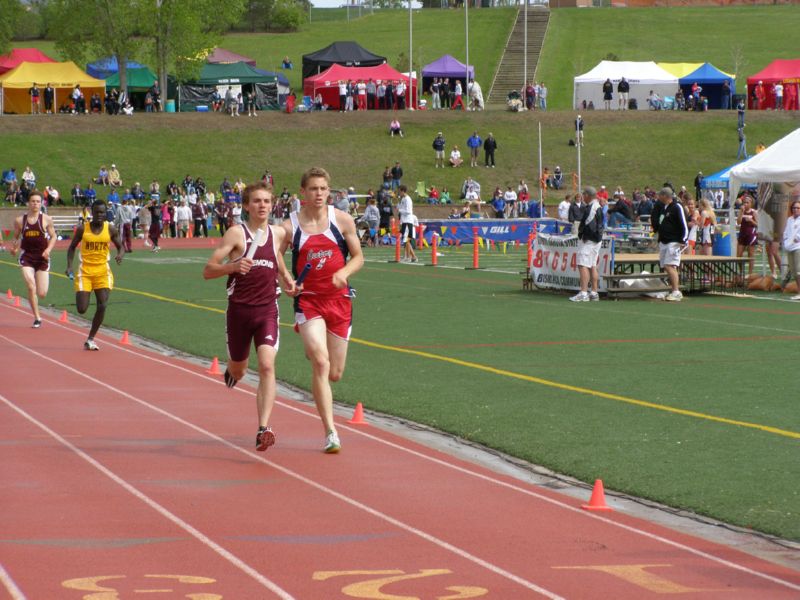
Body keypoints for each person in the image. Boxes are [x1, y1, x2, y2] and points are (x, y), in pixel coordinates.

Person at [203, 182, 297, 451]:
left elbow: (277, 257)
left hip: (267, 309)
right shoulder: (236, 234)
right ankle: (232, 369)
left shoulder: (277, 233)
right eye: (257, 201)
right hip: (239, 312)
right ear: (246, 205)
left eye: (267, 201)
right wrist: (232, 266)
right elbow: (208, 270)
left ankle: (263, 428)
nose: (263, 205)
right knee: (239, 369)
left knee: (267, 366)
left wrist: (287, 279)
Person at [279, 167, 364, 453]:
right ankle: (331, 431)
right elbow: (275, 254)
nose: (319, 194)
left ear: (329, 191)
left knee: (335, 373)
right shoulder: (290, 226)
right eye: (313, 189)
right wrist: (287, 281)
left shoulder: (342, 220)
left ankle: (312, 342)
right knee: (320, 362)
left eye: (323, 189)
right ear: (302, 192)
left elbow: (359, 257)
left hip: (339, 301)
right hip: (309, 302)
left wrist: (344, 272)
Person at [65, 200, 125, 350]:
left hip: (103, 271)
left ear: (106, 213)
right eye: (97, 212)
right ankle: (85, 294)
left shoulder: (110, 229)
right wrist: (69, 266)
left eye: (102, 212)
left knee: (102, 304)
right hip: (85, 271)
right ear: (92, 212)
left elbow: (120, 246)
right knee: (82, 309)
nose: (99, 215)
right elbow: (72, 247)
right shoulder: (82, 229)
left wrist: (120, 255)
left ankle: (91, 338)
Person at [9, 191, 57, 328]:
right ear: (28, 203)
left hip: (42, 257)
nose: (35, 203)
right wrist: (14, 248)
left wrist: (48, 250)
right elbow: (16, 237)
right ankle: (37, 318)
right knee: (31, 286)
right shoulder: (20, 221)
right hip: (27, 257)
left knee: (41, 293)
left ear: (41, 203)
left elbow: (53, 236)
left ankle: (36, 292)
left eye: (38, 201)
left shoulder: (46, 219)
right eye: (33, 201)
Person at [651, 187, 688, 301]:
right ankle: (672, 289)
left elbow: (684, 224)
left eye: (660, 195)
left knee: (670, 265)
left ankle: (676, 291)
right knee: (666, 266)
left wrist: (683, 240)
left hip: (674, 242)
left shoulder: (677, 207)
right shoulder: (664, 208)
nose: (658, 197)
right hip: (664, 241)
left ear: (665, 196)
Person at [570, 187, 604, 302]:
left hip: (590, 240)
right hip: (596, 240)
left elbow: (587, 223)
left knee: (582, 264)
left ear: (588, 195)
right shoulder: (597, 205)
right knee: (592, 265)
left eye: (584, 194)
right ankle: (594, 292)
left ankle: (583, 292)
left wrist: (583, 235)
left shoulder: (592, 207)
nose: (583, 196)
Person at [736, 195, 758, 274]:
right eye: (744, 202)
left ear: (751, 204)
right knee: (738, 255)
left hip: (751, 235)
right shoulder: (741, 211)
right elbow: (738, 222)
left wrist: (751, 220)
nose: (745, 204)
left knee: (750, 254)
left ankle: (750, 274)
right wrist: (741, 212)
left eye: (747, 202)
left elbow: (758, 224)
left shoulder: (754, 212)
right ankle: (741, 272)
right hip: (742, 234)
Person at [783, 200, 800, 300]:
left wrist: (795, 239)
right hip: (789, 248)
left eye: (798, 208)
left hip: (798, 247)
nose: (796, 210)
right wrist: (786, 241)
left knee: (799, 271)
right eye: (794, 208)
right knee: (794, 271)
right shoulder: (789, 219)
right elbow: (786, 232)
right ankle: (799, 291)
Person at [397, 185, 417, 263]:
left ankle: (409, 257)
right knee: (406, 240)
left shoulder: (408, 199)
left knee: (406, 240)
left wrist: (400, 210)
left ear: (402, 191)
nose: (398, 192)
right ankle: (412, 257)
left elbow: (408, 211)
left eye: (399, 191)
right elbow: (401, 208)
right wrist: (399, 207)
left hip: (408, 221)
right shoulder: (403, 199)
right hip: (404, 221)